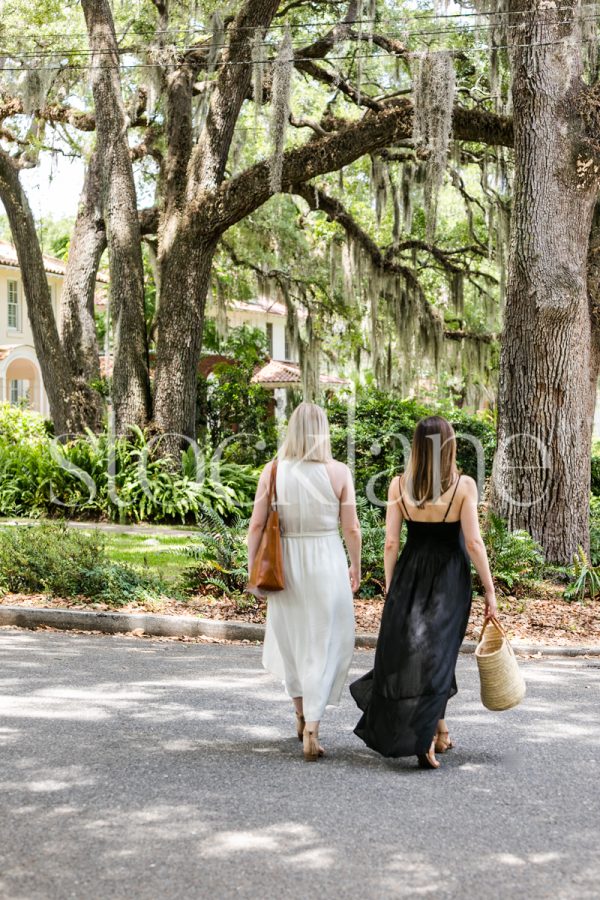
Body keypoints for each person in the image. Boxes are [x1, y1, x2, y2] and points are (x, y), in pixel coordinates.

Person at [350, 415, 497, 769]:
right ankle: (427, 734)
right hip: (450, 579)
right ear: (450, 446)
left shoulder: (399, 485)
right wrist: (490, 590)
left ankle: (440, 731)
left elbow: (390, 543)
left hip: (410, 575)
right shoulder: (464, 487)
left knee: (422, 654)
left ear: (416, 447)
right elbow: (474, 543)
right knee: (438, 654)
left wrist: (391, 586)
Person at [248, 402, 361, 761]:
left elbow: (256, 525)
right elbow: (352, 528)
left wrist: (253, 571)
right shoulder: (339, 472)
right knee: (323, 643)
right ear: (324, 432)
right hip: (327, 561)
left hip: (287, 566)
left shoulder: (274, 470)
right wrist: (356, 566)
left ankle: (300, 715)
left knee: (294, 642)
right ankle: (312, 723)